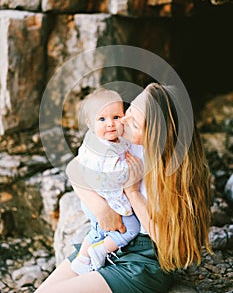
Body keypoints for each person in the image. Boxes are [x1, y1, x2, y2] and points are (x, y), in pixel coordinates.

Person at [35, 82, 212, 293]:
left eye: (135, 123)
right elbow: (75, 169)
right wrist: (101, 208)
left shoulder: (173, 174)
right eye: (130, 110)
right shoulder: (123, 141)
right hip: (107, 241)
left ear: (155, 137)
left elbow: (169, 243)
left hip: (143, 261)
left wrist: (132, 191)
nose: (123, 121)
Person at [67, 88, 142, 274]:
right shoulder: (105, 151)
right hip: (107, 202)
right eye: (102, 119)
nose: (110, 124)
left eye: (116, 117)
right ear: (90, 124)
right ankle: (100, 251)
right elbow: (114, 176)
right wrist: (133, 171)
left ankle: (82, 260)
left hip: (93, 202)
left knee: (96, 231)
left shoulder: (96, 140)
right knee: (130, 229)